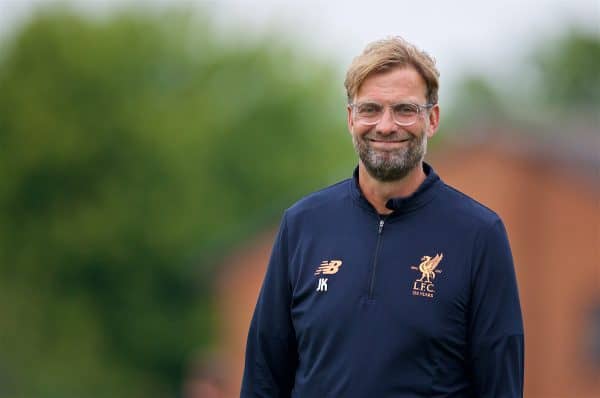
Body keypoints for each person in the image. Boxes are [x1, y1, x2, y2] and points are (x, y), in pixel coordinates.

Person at [241, 36, 524, 397]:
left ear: (432, 119)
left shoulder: (479, 235)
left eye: (405, 110)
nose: (386, 126)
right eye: (370, 109)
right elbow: (263, 380)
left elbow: (501, 387)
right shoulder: (302, 225)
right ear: (350, 118)